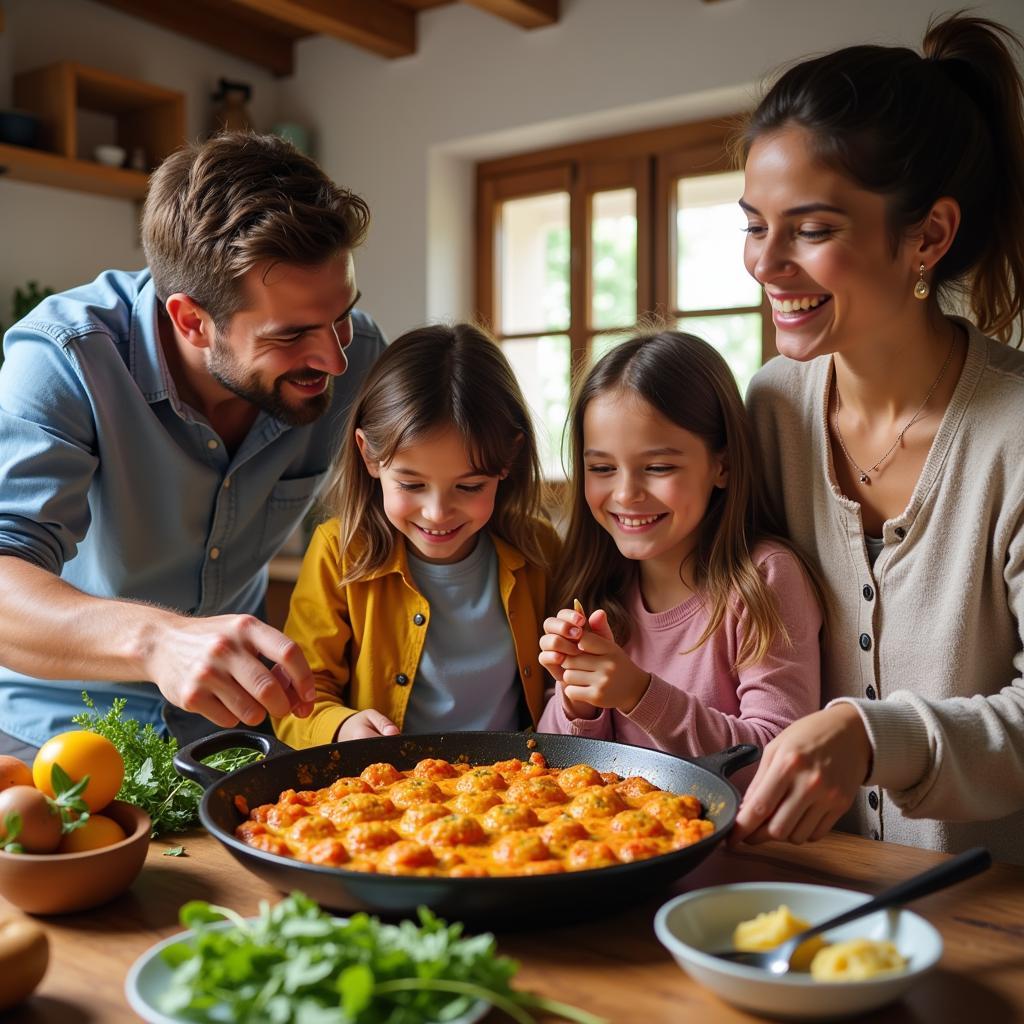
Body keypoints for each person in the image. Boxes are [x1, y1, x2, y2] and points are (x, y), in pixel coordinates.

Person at [732, 14, 1024, 865]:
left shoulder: (1012, 435)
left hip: (994, 921)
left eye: (812, 230)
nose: (765, 263)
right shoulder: (771, 406)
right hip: (800, 897)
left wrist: (874, 736)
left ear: (927, 236)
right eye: (756, 224)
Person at [0, 132, 386, 760]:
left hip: (239, 730)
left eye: (341, 315)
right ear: (190, 320)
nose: (334, 358)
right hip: (55, 734)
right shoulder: (65, 359)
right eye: (290, 335)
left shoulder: (360, 354)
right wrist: (157, 641)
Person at [536, 331, 822, 762]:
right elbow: (552, 765)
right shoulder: (593, 585)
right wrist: (578, 701)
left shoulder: (763, 579)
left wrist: (638, 693)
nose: (627, 493)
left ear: (721, 466)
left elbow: (777, 757)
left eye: (658, 467)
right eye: (602, 467)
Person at [273, 323, 560, 748]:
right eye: (410, 485)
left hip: (514, 789)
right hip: (389, 795)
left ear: (509, 460)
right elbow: (298, 695)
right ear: (369, 455)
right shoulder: (339, 552)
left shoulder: (539, 549)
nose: (437, 513)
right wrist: (339, 726)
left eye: (469, 487)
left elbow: (565, 688)